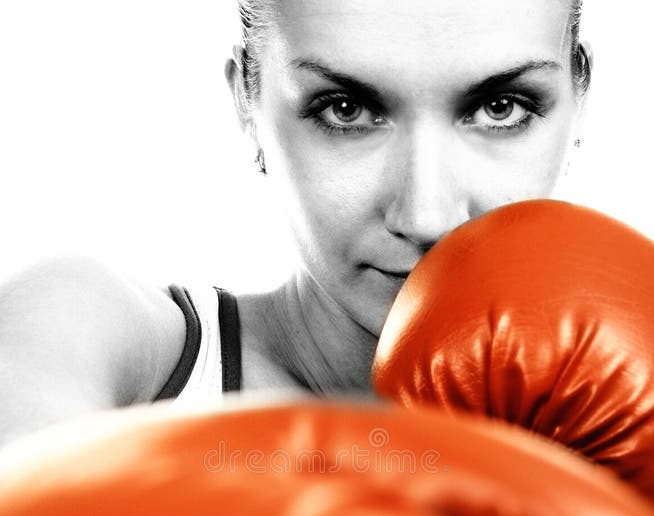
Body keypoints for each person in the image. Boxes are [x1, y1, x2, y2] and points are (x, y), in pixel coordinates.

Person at [0, 0, 592, 447]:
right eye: (347, 109)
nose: (426, 217)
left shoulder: (621, 431)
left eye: (501, 107)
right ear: (248, 106)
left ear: (578, 100)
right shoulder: (111, 347)